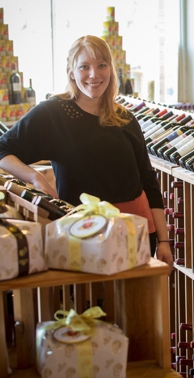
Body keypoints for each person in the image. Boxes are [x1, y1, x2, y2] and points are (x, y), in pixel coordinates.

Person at [0, 35, 173, 270]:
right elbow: (3, 149)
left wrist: (163, 240)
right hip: (83, 231)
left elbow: (148, 180)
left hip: (136, 227)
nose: (94, 74)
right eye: (84, 67)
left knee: (135, 304)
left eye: (102, 65)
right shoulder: (52, 113)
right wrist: (35, 177)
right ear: (71, 72)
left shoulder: (124, 118)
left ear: (110, 69)